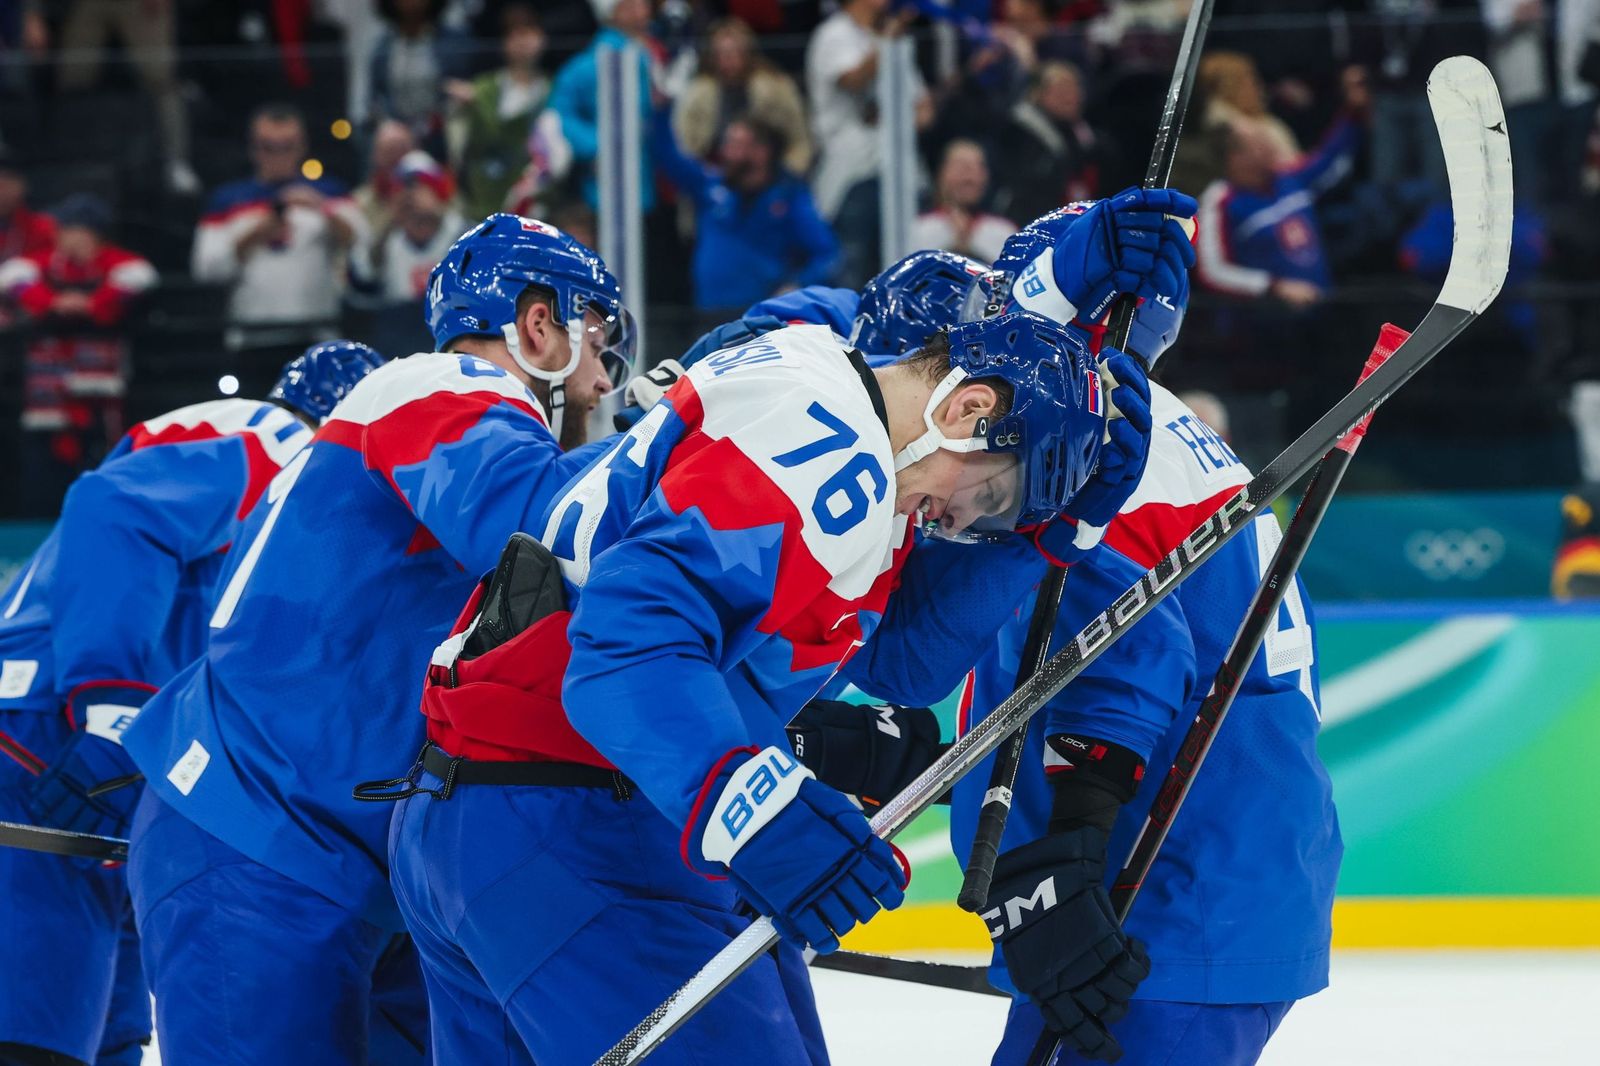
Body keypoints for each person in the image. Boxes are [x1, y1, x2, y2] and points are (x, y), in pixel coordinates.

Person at [377, 188, 1199, 1063]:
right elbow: (623, 646)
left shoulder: (841, 424)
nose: (962, 524)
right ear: (966, 407)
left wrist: (1049, 533)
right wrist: (752, 808)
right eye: (989, 494)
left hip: (495, 812)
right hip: (570, 825)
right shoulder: (830, 442)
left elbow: (902, 662)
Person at [796, 211, 1340, 1066]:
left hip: (1156, 893)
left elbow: (1135, 661)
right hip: (1212, 872)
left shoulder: (1069, 451)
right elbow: (1060, 664)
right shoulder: (1125, 429)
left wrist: (1067, 857)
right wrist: (912, 754)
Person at [118, 216, 632, 1063]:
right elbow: (533, 520)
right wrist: (685, 436)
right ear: (540, 323)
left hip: (348, 861)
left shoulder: (456, 414)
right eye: (598, 339)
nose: (604, 382)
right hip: (256, 837)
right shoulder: (440, 384)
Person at [0, 341, 384, 1066]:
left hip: (85, 743)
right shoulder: (290, 443)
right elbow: (112, 509)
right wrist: (111, 706)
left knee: (98, 1037)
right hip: (50, 726)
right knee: (30, 1038)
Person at [0, 193, 157, 516]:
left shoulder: (115, 263)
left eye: (74, 229)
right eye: (63, 229)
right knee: (44, 474)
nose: (65, 237)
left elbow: (141, 277)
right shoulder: (43, 264)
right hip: (48, 399)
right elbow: (11, 276)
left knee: (103, 467)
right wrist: (51, 303)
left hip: (99, 396)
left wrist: (92, 304)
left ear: (94, 233)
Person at [191, 103, 369, 347]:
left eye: (286, 147)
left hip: (316, 333)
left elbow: (361, 246)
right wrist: (255, 234)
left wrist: (322, 208)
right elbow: (206, 270)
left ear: (302, 146)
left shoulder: (329, 193)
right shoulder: (227, 200)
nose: (277, 156)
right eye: (268, 147)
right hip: (251, 336)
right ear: (253, 148)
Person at [652, 106, 839, 315]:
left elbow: (828, 255)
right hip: (708, 315)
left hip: (760, 320)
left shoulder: (789, 198)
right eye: (728, 143)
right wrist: (661, 110)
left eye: (736, 144)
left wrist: (797, 285)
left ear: (761, 152)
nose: (726, 152)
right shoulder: (711, 186)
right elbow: (669, 159)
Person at [805, 0, 931, 285]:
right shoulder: (834, 34)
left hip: (902, 171)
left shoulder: (892, 37)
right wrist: (886, 41)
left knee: (905, 272)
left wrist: (894, 120)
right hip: (853, 171)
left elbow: (924, 109)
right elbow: (852, 80)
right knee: (854, 271)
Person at [1193, 115, 1360, 309]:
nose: (1271, 144)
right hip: (1265, 323)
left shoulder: (1287, 178)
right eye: (1259, 142)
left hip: (1326, 307)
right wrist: (1274, 287)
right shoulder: (1219, 201)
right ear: (1235, 158)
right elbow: (1213, 271)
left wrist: (1353, 114)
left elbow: (1330, 159)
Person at [545, 0, 660, 213]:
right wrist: (598, 148)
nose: (642, 11)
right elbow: (557, 114)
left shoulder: (647, 55)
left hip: (644, 180)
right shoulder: (594, 63)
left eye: (643, 5)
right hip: (602, 187)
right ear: (612, 13)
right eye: (631, 5)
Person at [445, 2, 553, 220]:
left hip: (533, 202)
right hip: (482, 197)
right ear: (504, 42)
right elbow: (460, 148)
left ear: (543, 39)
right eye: (514, 33)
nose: (522, 40)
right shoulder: (482, 88)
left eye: (529, 31)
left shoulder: (552, 90)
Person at [674, 17, 813, 175]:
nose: (728, 61)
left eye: (734, 53)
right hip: (713, 176)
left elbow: (799, 142)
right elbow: (685, 146)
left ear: (747, 53)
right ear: (712, 57)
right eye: (722, 54)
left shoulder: (775, 90)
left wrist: (787, 176)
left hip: (769, 177)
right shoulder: (697, 94)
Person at [993, 61, 1118, 225]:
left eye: (1074, 89)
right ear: (1038, 94)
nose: (1070, 96)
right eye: (1061, 89)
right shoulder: (1017, 135)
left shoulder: (1094, 141)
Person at [910, 139, 1018, 265]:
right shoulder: (919, 229)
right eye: (962, 167)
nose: (970, 177)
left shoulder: (1004, 232)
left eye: (978, 167)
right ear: (942, 173)